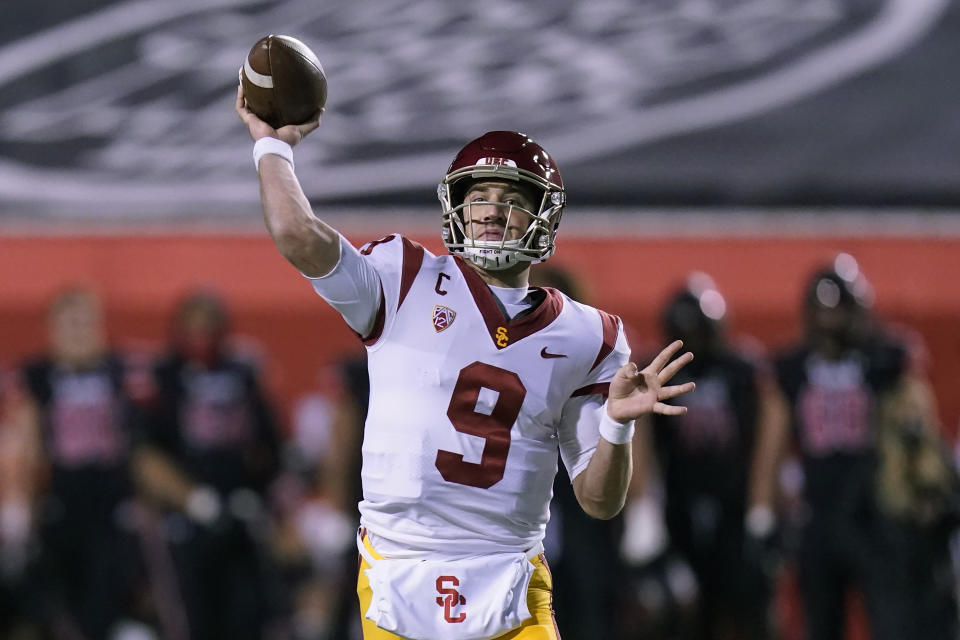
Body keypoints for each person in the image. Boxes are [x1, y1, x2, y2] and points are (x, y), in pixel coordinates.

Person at [236, 86, 696, 640]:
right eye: (481, 195)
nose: (494, 210)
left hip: (508, 573)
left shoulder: (589, 335)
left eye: (513, 197)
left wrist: (619, 425)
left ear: (543, 215)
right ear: (457, 205)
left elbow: (599, 502)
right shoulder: (403, 277)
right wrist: (272, 148)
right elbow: (296, 234)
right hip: (400, 569)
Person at [772, 254, 949, 640]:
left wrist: (922, 492)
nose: (830, 322)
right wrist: (764, 513)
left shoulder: (889, 360)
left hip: (877, 513)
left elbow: (919, 429)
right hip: (817, 511)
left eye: (839, 311)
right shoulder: (793, 367)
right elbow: (773, 442)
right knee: (821, 624)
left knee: (892, 622)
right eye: (823, 312)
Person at [625, 274, 788, 640]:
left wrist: (761, 509)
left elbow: (770, 431)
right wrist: (643, 512)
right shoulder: (655, 371)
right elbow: (638, 434)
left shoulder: (745, 371)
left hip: (734, 504)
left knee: (750, 601)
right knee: (671, 607)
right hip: (678, 504)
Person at [133, 290, 282, 640]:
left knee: (248, 617)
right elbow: (144, 453)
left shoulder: (242, 372)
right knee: (192, 620)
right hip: (184, 521)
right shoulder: (163, 375)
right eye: (194, 324)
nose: (202, 332)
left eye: (209, 323)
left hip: (238, 516)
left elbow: (269, 442)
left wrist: (256, 490)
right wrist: (192, 499)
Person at [17, 287, 148, 639]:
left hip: (110, 501)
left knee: (108, 598)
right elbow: (28, 444)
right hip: (61, 499)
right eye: (68, 323)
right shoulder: (37, 374)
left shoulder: (119, 370)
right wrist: (25, 507)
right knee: (57, 603)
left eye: (84, 323)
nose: (77, 332)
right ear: (52, 328)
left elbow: (140, 442)